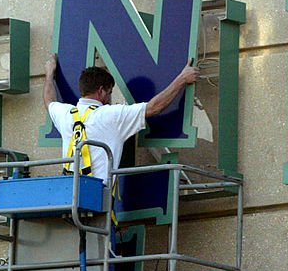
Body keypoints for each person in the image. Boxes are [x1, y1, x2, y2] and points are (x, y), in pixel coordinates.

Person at [43, 54, 200, 184]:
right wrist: (182, 79)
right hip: (98, 198)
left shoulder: (66, 114)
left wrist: (50, 73)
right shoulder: (112, 115)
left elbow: (49, 100)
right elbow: (154, 107)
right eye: (110, 92)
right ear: (101, 91)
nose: (110, 97)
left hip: (68, 196)